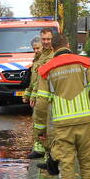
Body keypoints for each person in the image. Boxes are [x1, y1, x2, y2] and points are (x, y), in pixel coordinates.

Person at [33, 33, 90, 179]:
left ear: (53, 48)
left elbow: (41, 103)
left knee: (66, 165)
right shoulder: (84, 63)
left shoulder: (46, 69)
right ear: (68, 44)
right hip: (86, 122)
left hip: (63, 125)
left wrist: (40, 129)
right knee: (88, 162)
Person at [27, 29, 56, 163]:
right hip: (40, 97)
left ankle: (50, 158)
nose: (45, 42)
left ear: (52, 39)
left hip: (50, 97)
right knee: (40, 125)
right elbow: (35, 79)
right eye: (43, 39)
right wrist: (30, 94)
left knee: (50, 128)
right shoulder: (40, 57)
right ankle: (44, 154)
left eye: (48, 39)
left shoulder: (53, 56)